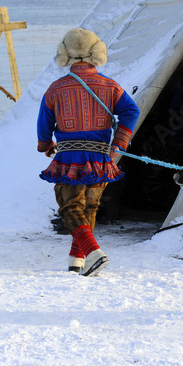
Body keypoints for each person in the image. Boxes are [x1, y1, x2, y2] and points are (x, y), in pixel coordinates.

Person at [37, 28, 140, 276]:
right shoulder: (110, 86)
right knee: (89, 207)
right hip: (101, 158)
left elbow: (44, 124)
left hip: (70, 158)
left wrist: (45, 145)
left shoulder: (55, 89)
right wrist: (120, 142)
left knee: (69, 207)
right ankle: (77, 261)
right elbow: (131, 111)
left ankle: (94, 253)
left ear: (65, 54)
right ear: (97, 53)